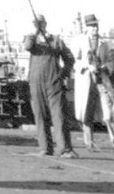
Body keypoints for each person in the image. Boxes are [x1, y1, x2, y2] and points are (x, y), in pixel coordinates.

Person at [22, 14, 75, 158]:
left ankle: (65, 149)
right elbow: (27, 46)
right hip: (35, 82)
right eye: (36, 24)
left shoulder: (56, 40)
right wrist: (35, 33)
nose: (39, 26)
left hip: (53, 82)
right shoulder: (30, 39)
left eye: (41, 23)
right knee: (39, 114)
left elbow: (69, 58)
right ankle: (45, 148)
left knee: (58, 115)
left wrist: (62, 74)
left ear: (46, 24)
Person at [75, 13, 114, 154]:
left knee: (108, 112)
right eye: (92, 26)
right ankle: (89, 143)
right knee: (87, 112)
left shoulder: (104, 44)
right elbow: (75, 62)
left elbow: (110, 61)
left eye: (96, 25)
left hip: (101, 81)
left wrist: (104, 67)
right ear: (87, 28)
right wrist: (86, 66)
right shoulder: (80, 41)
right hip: (86, 80)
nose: (95, 29)